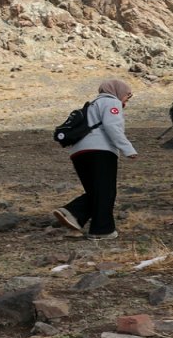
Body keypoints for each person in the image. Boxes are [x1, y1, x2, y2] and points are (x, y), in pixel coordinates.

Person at [52, 79, 138, 240]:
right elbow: (113, 127)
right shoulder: (111, 103)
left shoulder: (91, 105)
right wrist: (128, 149)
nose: (127, 99)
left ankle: (73, 214)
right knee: (106, 191)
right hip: (100, 151)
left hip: (78, 153)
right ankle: (101, 230)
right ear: (117, 91)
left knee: (97, 191)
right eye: (128, 95)